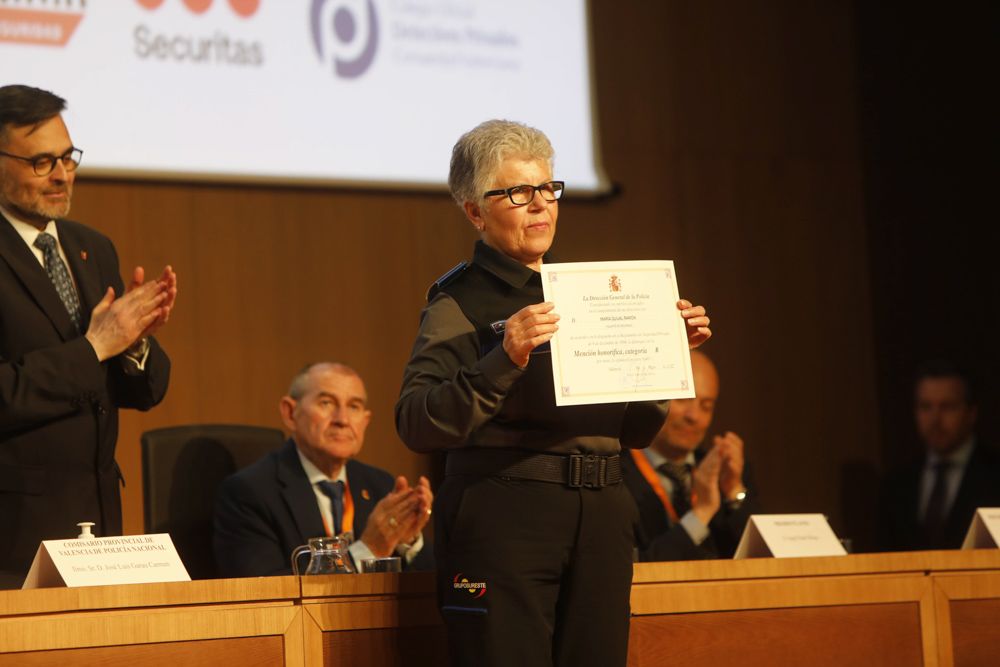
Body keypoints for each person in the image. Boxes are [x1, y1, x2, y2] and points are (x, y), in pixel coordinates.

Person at [395, 119, 712, 667]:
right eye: (518, 193)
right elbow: (417, 421)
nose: (540, 205)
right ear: (475, 211)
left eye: (547, 188)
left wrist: (663, 354)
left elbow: (635, 430)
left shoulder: (586, 294)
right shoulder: (458, 301)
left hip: (605, 511)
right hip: (506, 513)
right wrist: (504, 359)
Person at [0, 85, 175, 588]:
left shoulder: (91, 249)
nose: (62, 175)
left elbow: (147, 391)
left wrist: (135, 342)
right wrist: (96, 346)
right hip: (13, 540)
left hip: (98, 532)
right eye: (41, 162)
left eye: (67, 157)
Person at [213, 362, 434, 576]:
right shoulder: (249, 493)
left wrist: (409, 541)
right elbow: (261, 592)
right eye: (326, 403)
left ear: (365, 421)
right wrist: (367, 550)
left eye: (354, 406)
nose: (342, 419)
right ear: (290, 413)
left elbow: (427, 590)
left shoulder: (381, 486)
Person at [622, 349, 755, 561]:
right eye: (683, 399)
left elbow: (760, 563)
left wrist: (734, 493)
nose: (694, 416)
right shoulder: (613, 472)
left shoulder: (726, 471)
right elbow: (632, 567)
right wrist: (701, 513)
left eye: (706, 406)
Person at [879, 360, 1000, 551]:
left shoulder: (994, 473)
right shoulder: (897, 483)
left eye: (947, 407)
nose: (935, 419)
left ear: (971, 413)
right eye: (926, 407)